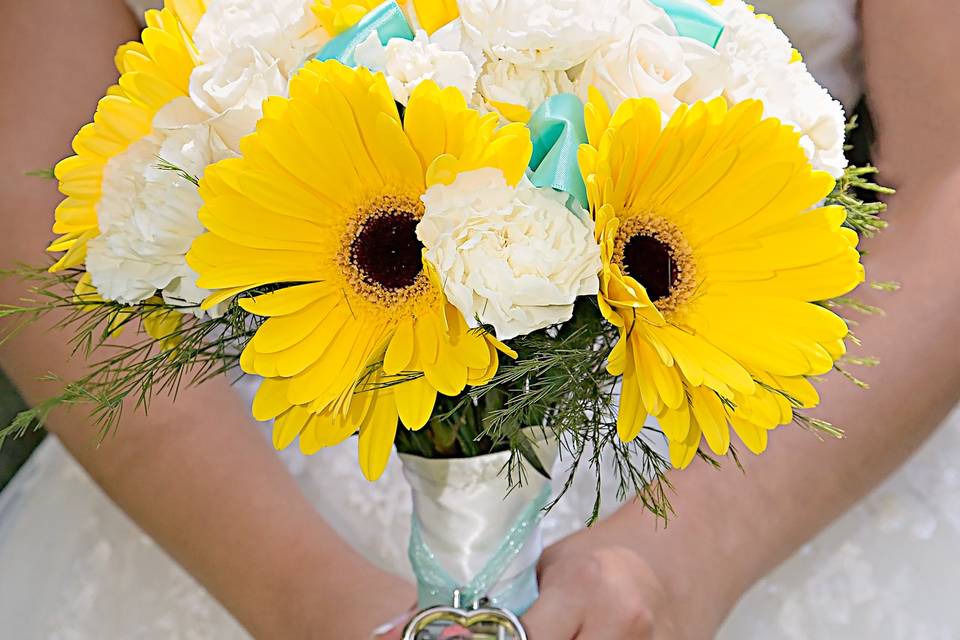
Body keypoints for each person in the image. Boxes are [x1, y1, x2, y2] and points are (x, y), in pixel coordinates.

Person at [0, 0, 957, 638]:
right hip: (230, 493)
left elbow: (949, 181)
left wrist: (693, 551)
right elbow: (36, 193)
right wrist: (306, 600)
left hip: (747, 444)